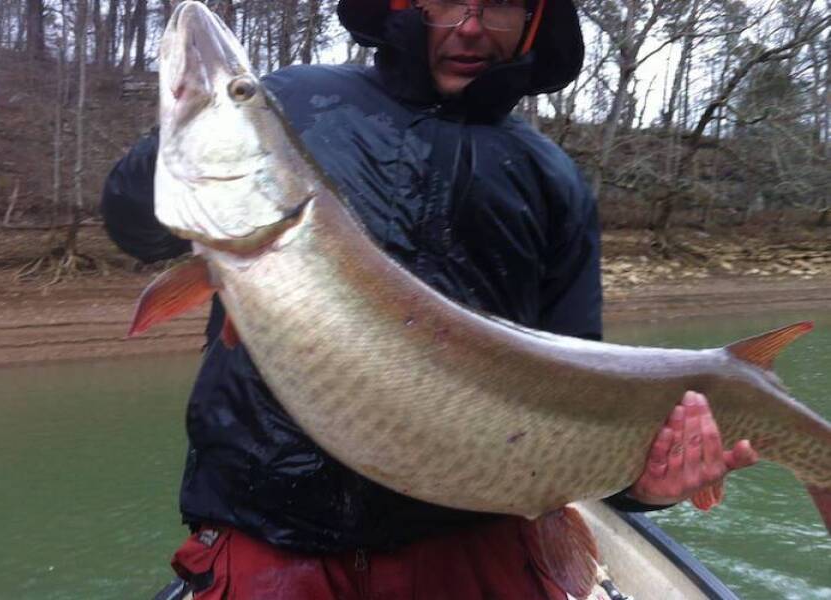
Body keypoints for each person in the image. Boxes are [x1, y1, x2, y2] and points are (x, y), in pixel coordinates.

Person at [102, 1, 758, 598]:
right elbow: (132, 222)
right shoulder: (296, 98)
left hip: (470, 545)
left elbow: (577, 392)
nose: (470, 25)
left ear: (537, 20)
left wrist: (643, 486)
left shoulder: (552, 178)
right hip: (270, 534)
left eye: (500, 4)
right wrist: (190, 131)